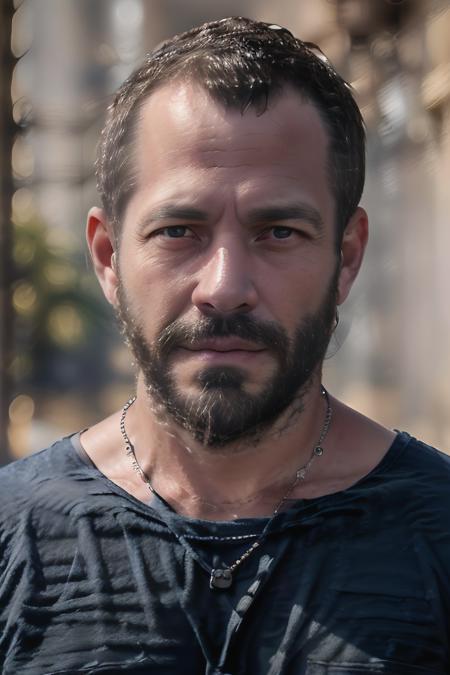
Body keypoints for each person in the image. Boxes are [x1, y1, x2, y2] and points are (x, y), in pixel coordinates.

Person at [1, 16, 449, 675]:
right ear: (107, 256)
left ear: (346, 255)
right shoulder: (12, 536)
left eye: (279, 232)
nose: (226, 287)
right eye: (180, 230)